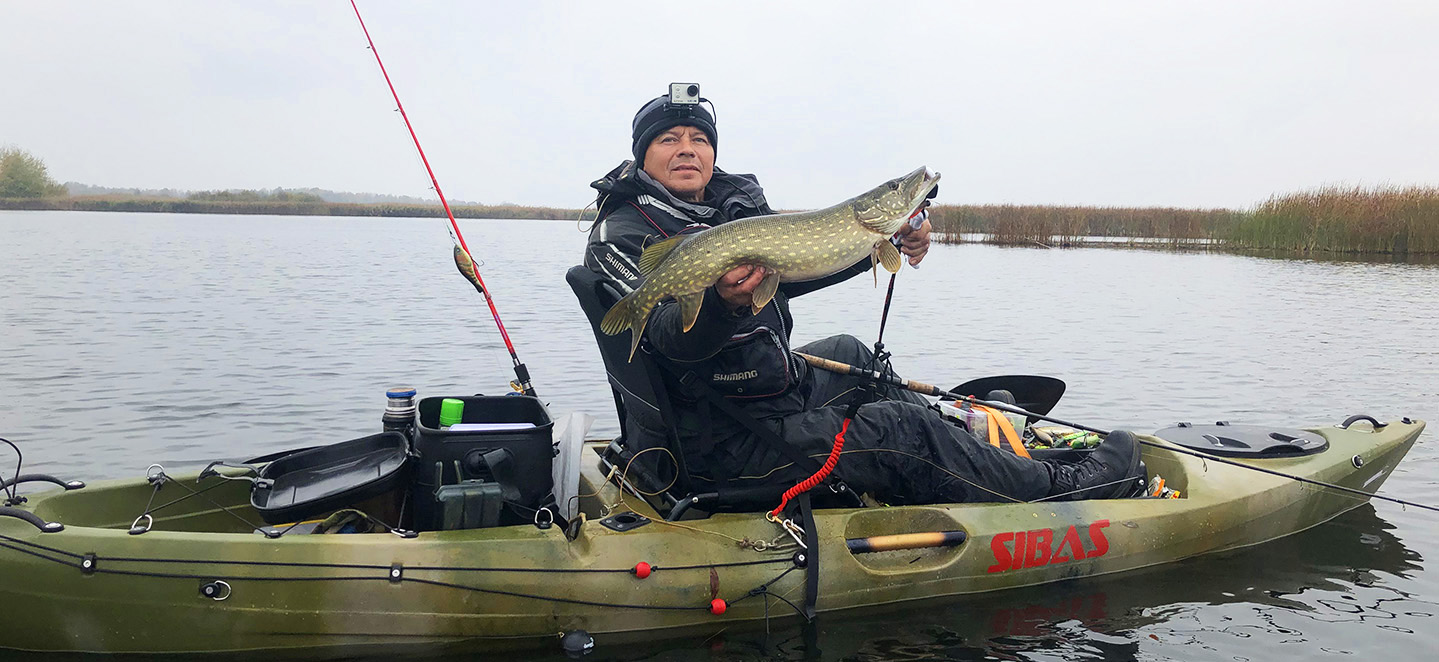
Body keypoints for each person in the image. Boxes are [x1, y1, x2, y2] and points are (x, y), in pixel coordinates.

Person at [583, 89, 1141, 506]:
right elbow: (665, 341)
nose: (688, 149)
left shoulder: (729, 215)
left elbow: (801, 266)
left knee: (856, 356)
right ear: (643, 154)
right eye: (669, 139)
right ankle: (1060, 490)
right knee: (901, 429)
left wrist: (882, 244)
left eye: (699, 138)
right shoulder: (622, 235)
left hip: (764, 395)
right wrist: (725, 304)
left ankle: (985, 462)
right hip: (720, 444)